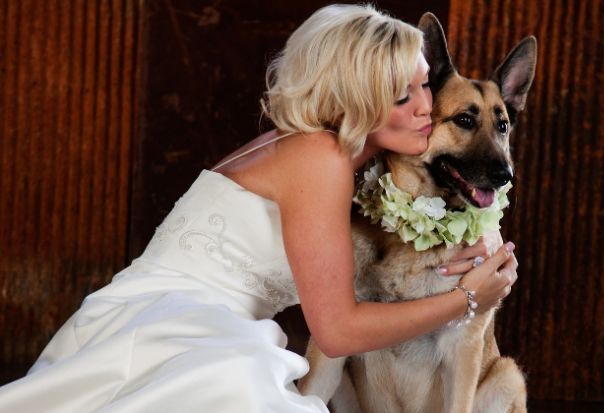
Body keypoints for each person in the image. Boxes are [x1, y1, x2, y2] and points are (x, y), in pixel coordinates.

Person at [0, 4, 518, 412]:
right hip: (181, 329)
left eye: (424, 84)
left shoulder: (319, 148)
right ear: (356, 98)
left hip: (149, 312)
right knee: (246, 388)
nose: (427, 107)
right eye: (403, 96)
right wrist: (469, 299)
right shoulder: (319, 158)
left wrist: (475, 238)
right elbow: (337, 332)